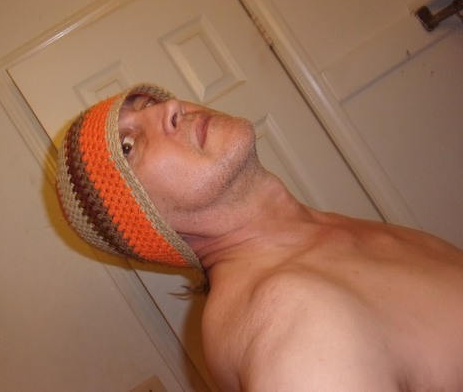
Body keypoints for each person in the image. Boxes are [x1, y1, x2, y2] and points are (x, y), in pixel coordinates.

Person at [56, 83, 463, 391]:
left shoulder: (318, 238)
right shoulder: (289, 319)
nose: (171, 107)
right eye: (128, 146)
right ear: (141, 220)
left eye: (149, 104)